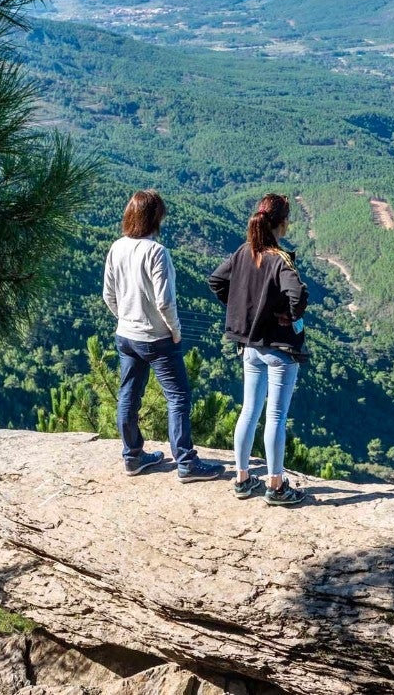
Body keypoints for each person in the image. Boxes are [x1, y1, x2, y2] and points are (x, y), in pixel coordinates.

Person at [103, 189, 223, 482]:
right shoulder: (156, 252)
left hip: (126, 335)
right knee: (178, 397)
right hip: (156, 337)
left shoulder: (116, 247)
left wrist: (125, 319)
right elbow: (165, 302)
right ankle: (186, 463)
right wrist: (175, 331)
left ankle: (133, 457)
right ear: (155, 218)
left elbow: (108, 294)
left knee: (128, 395)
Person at [208, 194, 310, 506]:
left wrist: (241, 311)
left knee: (249, 410)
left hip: (249, 347)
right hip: (278, 349)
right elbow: (299, 294)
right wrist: (289, 317)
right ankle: (276, 486)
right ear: (282, 223)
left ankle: (242, 479)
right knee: (275, 416)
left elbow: (216, 281)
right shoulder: (279, 259)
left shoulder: (244, 252)